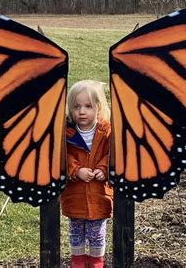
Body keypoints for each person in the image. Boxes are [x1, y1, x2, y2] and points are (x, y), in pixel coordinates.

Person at [60, 80, 113, 268]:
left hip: (99, 194)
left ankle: (97, 262)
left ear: (98, 108)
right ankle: (78, 261)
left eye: (88, 106)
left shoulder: (107, 131)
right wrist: (76, 170)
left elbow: (112, 154)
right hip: (75, 194)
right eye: (76, 106)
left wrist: (103, 169)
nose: (82, 111)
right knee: (76, 231)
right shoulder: (66, 133)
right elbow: (62, 156)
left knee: (97, 232)